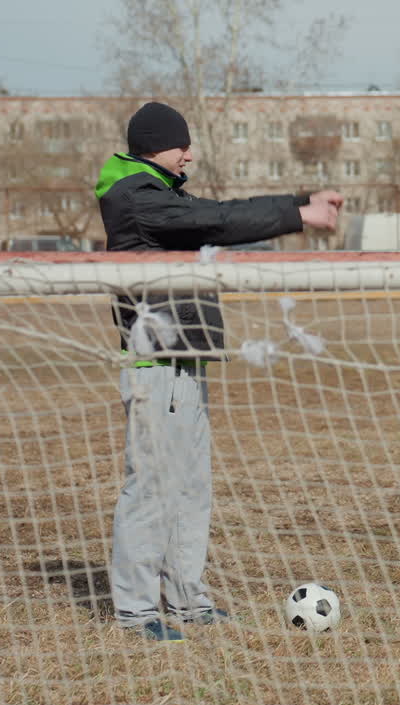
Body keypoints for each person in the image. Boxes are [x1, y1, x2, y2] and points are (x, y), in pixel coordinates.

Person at [94, 101, 343, 641]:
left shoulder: (162, 194)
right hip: (155, 367)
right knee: (153, 487)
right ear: (155, 145)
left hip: (186, 366)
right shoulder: (136, 198)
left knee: (190, 487)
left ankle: (186, 600)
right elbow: (218, 220)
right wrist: (298, 216)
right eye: (182, 143)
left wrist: (300, 202)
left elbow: (216, 210)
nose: (191, 152)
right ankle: (137, 612)